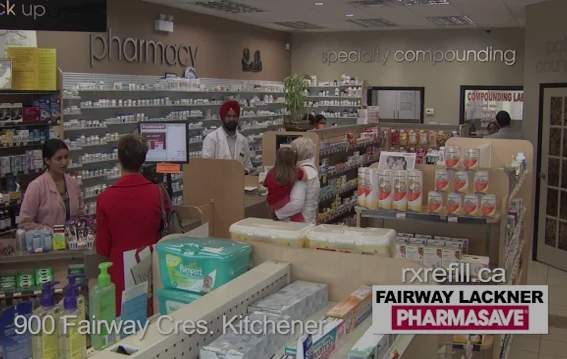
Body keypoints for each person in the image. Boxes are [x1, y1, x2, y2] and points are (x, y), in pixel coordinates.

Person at [96, 134, 167, 315]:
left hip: (119, 276)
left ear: (119, 159)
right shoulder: (158, 193)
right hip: (150, 271)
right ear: (143, 159)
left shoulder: (105, 199)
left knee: (124, 329)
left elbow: (102, 248)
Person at [20, 139, 83, 230]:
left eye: (66, 157)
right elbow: (25, 222)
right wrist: (52, 232)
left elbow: (80, 212)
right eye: (59, 158)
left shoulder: (72, 183)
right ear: (47, 160)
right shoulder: (36, 186)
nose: (64, 162)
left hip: (72, 240)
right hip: (47, 241)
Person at [274, 137, 320, 224]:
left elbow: (296, 204)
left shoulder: (303, 173)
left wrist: (277, 214)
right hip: (307, 219)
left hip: (298, 223)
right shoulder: (311, 170)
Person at [202, 100, 253, 173]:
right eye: (228, 116)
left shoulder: (243, 140)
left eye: (234, 116)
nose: (231, 119)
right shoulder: (211, 139)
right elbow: (206, 167)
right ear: (222, 118)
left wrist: (245, 171)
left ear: (238, 118)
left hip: (238, 182)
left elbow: (248, 165)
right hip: (218, 182)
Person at [264, 147, 305, 222]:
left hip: (272, 203)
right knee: (297, 217)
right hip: (284, 202)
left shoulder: (271, 172)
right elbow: (304, 177)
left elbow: (265, 184)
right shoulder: (295, 172)